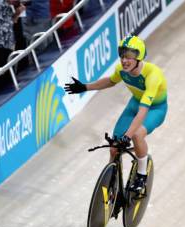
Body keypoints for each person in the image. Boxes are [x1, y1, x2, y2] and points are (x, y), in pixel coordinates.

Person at [65, 36, 168, 193]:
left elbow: (143, 111)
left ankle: (141, 175)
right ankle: (111, 183)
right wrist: (85, 87)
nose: (124, 61)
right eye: (122, 56)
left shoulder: (153, 75)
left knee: (137, 135)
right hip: (135, 104)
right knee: (114, 147)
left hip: (155, 109)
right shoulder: (121, 70)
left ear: (139, 57)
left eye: (129, 57)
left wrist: (128, 135)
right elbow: (110, 81)